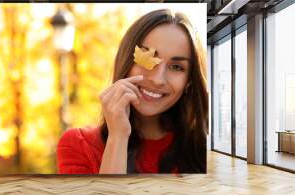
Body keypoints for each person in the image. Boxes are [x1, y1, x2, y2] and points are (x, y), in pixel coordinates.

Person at [57, 9, 208, 174]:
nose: (157, 79)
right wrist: (118, 137)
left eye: (176, 67)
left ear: (189, 81)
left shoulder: (205, 149)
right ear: (126, 59)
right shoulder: (78, 145)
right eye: (147, 58)